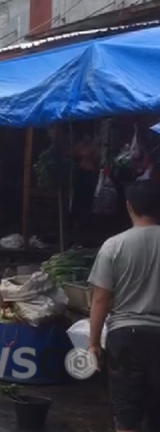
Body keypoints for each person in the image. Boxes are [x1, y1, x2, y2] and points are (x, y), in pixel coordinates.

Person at [88, 180, 160, 432]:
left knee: (127, 413)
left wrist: (94, 342)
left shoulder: (114, 246)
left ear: (129, 207)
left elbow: (100, 300)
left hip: (125, 338)